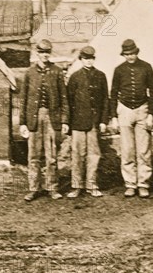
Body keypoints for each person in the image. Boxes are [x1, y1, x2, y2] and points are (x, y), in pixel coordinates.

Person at [19, 39, 69, 201]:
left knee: (51, 155)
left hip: (51, 117)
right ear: (37, 53)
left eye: (47, 52)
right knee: (33, 155)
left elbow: (64, 98)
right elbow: (23, 100)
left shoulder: (57, 72)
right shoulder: (29, 73)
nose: (45, 55)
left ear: (50, 53)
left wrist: (64, 121)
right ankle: (33, 188)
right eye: (41, 53)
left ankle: (52, 187)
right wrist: (22, 123)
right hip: (33, 117)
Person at [109, 39, 153, 199]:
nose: (130, 57)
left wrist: (151, 114)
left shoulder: (146, 67)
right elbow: (114, 93)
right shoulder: (119, 70)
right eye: (127, 54)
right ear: (124, 55)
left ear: (137, 52)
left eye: (132, 53)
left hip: (142, 109)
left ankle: (143, 183)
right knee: (127, 150)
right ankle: (130, 184)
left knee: (144, 150)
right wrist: (114, 117)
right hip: (125, 110)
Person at [66, 46, 109, 198]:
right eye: (85, 58)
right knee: (78, 154)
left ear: (94, 59)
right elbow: (69, 101)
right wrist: (68, 123)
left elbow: (105, 100)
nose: (88, 61)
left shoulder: (100, 76)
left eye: (91, 58)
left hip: (93, 122)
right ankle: (77, 186)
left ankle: (91, 185)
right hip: (78, 122)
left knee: (93, 154)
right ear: (81, 59)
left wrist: (104, 121)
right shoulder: (75, 77)